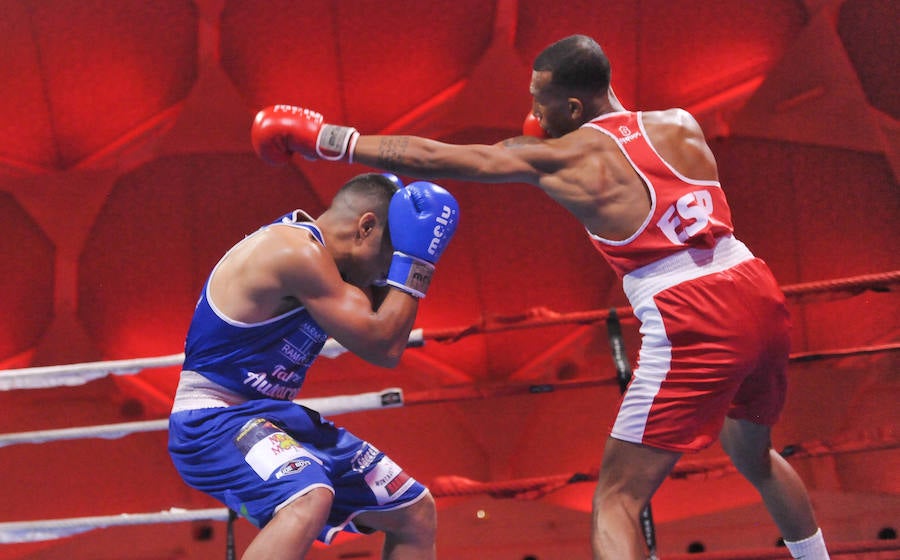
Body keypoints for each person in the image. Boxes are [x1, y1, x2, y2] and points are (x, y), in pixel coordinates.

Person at [249, 34, 831, 560]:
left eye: (539, 101)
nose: (532, 113)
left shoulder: (564, 157)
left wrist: (326, 139)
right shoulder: (680, 122)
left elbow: (437, 158)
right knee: (755, 455)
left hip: (693, 314)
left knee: (617, 501)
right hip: (756, 289)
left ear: (572, 108)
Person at [168, 172, 459, 560]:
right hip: (212, 420)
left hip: (272, 418)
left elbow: (388, 331)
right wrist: (417, 262)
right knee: (307, 496)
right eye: (386, 260)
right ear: (365, 227)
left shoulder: (333, 268)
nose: (382, 277)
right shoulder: (294, 253)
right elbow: (382, 345)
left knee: (414, 512)